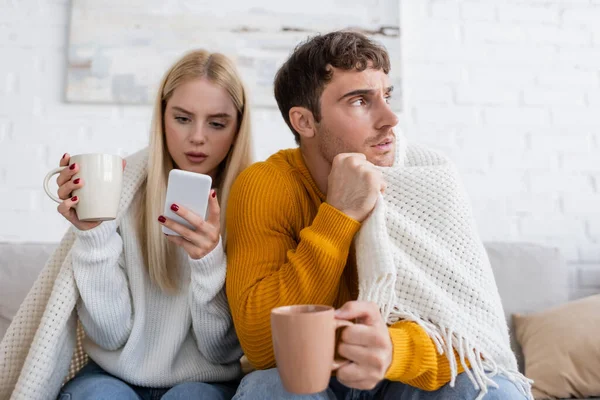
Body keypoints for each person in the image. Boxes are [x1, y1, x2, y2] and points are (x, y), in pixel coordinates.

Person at [225, 31, 529, 399]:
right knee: (269, 388)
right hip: (314, 376)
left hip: (402, 374)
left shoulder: (427, 178)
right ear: (304, 122)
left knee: (493, 390)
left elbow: (472, 336)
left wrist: (392, 350)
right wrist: (339, 214)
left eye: (386, 96)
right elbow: (263, 346)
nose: (390, 118)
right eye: (359, 101)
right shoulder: (267, 185)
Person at [2, 49, 253, 400]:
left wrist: (208, 261)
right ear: (162, 116)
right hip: (111, 375)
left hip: (205, 381)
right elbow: (111, 336)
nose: (198, 137)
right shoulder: (122, 190)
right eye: (182, 118)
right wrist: (94, 237)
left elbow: (221, 352)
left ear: (238, 126)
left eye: (216, 123)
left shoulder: (252, 203)